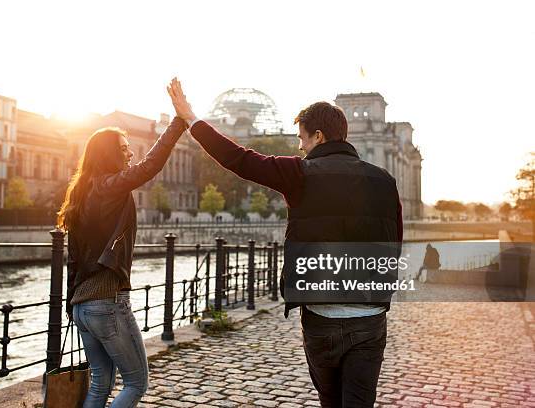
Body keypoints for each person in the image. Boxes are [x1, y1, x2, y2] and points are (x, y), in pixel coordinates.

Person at [167, 78, 402, 408]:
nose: (301, 147)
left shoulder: (299, 173)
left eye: (302, 139)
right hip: (370, 314)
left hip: (321, 314)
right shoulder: (384, 180)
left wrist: (191, 119)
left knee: (330, 401)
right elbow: (394, 242)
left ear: (318, 136)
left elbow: (238, 158)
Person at [56, 117, 187, 407]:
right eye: (124, 148)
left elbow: (73, 258)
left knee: (101, 383)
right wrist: (179, 122)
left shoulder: (81, 192)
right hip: (107, 301)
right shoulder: (108, 187)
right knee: (136, 382)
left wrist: (70, 303)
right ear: (109, 154)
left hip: (81, 306)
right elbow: (150, 166)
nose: (130, 154)